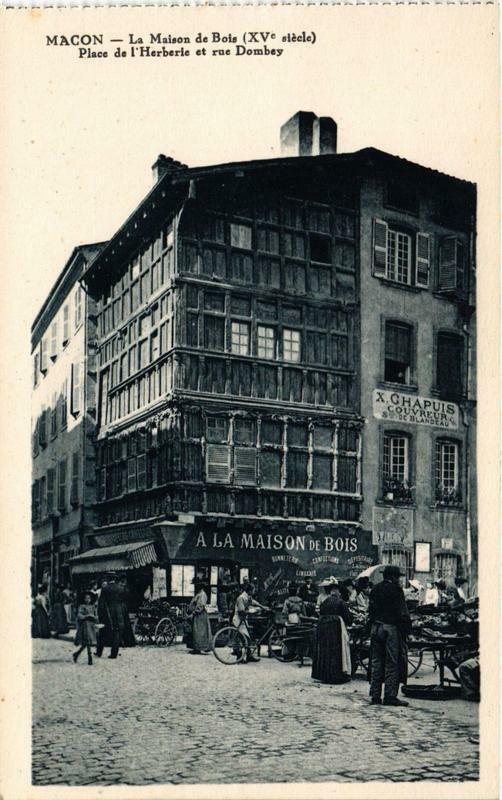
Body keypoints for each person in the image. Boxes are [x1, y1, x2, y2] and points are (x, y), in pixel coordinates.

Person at [368, 564, 411, 707]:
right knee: (392, 663)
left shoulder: (375, 588)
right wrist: (407, 630)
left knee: (376, 662)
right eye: (397, 577)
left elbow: (370, 610)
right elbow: (403, 613)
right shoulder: (397, 590)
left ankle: (375, 695)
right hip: (390, 628)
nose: (399, 580)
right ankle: (390, 696)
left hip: (376, 627)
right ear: (393, 577)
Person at [311, 579, 353, 684]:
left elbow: (320, 612)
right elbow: (348, 618)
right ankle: (336, 676)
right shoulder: (340, 602)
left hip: (323, 626)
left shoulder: (325, 602)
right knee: (337, 651)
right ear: (337, 592)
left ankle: (325, 675)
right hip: (335, 627)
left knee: (326, 651)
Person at [232, 582, 268, 663]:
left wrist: (262, 607)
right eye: (253, 590)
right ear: (250, 590)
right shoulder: (241, 598)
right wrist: (253, 611)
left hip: (244, 620)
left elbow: (254, 602)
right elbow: (241, 611)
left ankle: (249, 656)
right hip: (238, 620)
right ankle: (239, 658)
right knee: (242, 639)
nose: (254, 591)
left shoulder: (248, 596)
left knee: (247, 639)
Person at [95, 573, 127, 659]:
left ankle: (99, 652)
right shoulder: (121, 588)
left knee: (103, 632)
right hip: (119, 614)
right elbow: (124, 603)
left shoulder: (105, 589)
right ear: (115, 579)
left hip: (107, 613)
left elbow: (101, 603)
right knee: (117, 633)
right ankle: (114, 654)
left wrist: (100, 615)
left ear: (108, 579)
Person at [73, 591, 98, 665]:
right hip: (85, 625)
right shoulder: (82, 606)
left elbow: (96, 615)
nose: (87, 600)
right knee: (87, 641)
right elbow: (79, 615)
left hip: (91, 625)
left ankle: (77, 654)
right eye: (86, 598)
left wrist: (94, 617)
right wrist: (85, 616)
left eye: (89, 598)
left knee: (87, 643)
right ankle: (90, 658)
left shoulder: (93, 606)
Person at [187, 582, 213, 654]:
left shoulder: (202, 594)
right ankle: (196, 647)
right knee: (196, 632)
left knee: (200, 632)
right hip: (197, 615)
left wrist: (194, 613)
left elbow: (200, 606)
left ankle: (199, 648)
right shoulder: (198, 594)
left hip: (200, 615)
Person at [118, 575, 136, 647]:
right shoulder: (126, 589)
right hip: (124, 607)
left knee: (121, 624)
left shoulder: (121, 588)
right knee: (126, 624)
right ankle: (127, 641)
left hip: (120, 607)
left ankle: (122, 641)